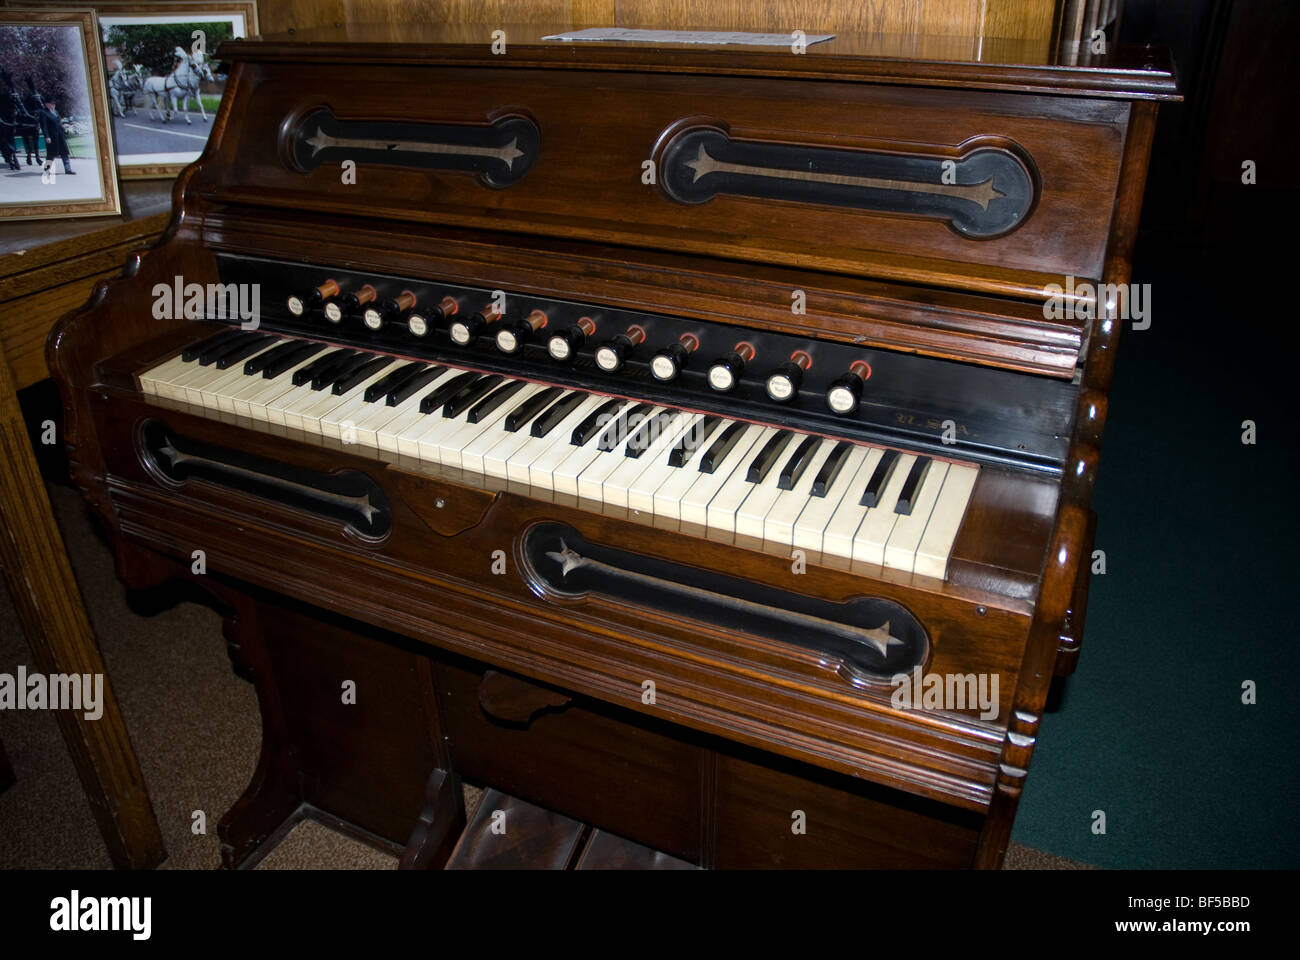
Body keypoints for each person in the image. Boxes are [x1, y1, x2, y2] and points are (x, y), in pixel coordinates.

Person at [39, 101, 73, 176]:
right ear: (46, 104)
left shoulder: (55, 112)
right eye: (51, 104)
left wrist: (63, 128)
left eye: (54, 104)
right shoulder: (43, 113)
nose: (53, 105)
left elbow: (59, 122)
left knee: (64, 152)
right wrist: (47, 136)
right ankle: (47, 170)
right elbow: (43, 126)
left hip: (60, 135)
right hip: (52, 136)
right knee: (51, 153)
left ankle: (68, 169)